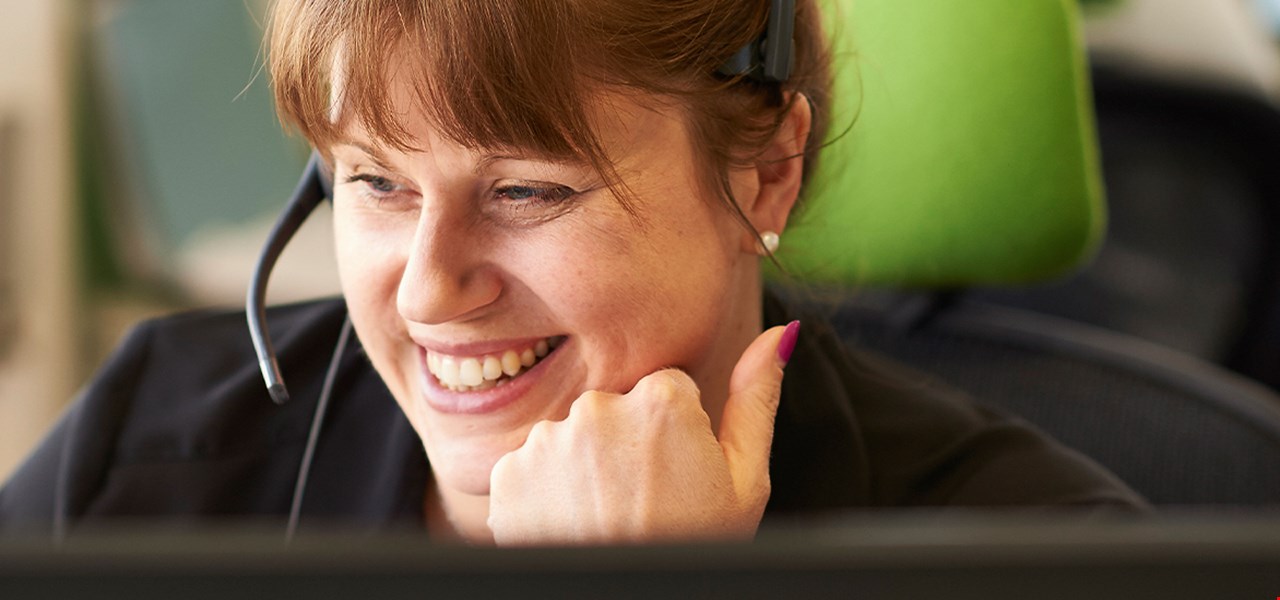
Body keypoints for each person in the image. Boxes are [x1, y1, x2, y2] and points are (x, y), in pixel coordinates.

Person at [0, 0, 1144, 543]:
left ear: (766, 174)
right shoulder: (140, 460)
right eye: (375, 183)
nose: (424, 289)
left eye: (525, 191)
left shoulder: (1033, 550)